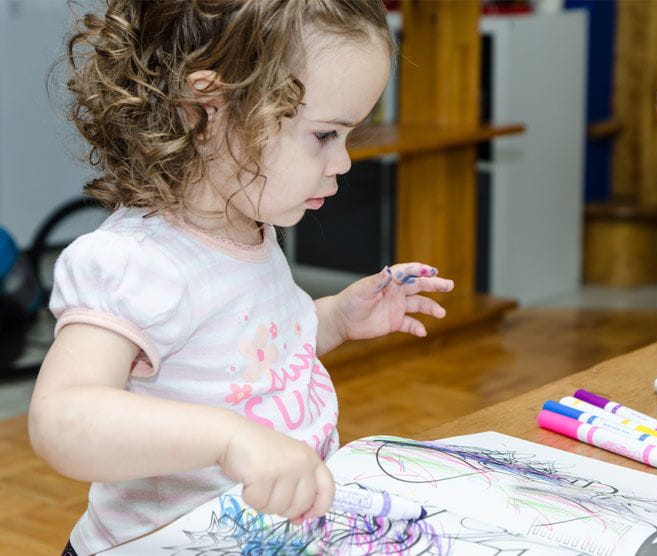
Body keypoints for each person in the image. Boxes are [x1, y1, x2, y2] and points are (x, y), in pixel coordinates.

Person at [27, 1, 454, 554]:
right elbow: (63, 418)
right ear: (209, 110)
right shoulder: (139, 261)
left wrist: (335, 319)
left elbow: (254, 359)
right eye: (325, 135)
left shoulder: (250, 229)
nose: (344, 162)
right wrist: (231, 441)